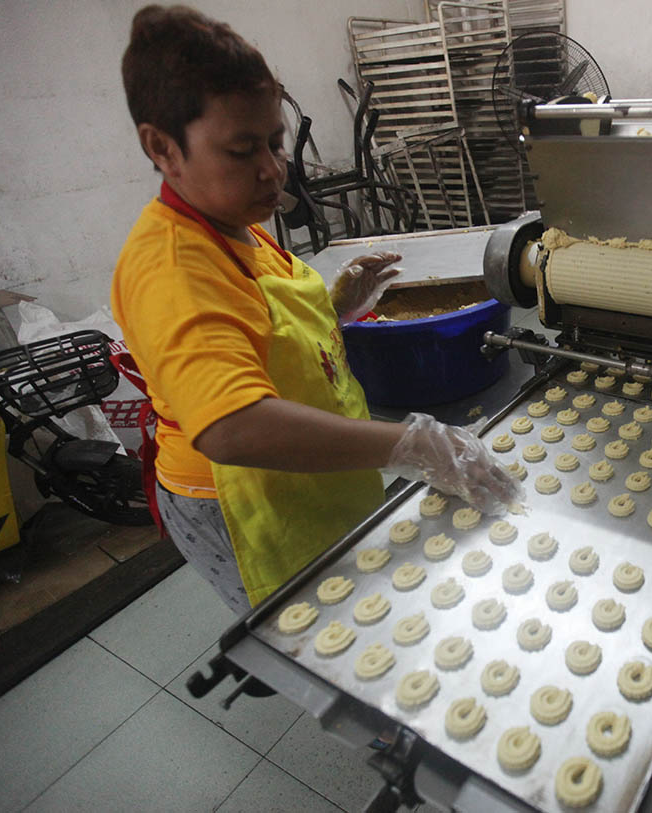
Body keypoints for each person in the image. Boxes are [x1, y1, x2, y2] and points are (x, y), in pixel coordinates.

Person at [111, 5, 520, 613]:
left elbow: (260, 333)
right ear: (163, 147)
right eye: (243, 149)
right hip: (247, 496)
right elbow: (232, 427)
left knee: (355, 601)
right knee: (312, 628)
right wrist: (408, 444)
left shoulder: (234, 223)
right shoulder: (172, 266)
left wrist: (335, 310)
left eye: (275, 142)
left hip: (309, 471)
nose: (274, 169)